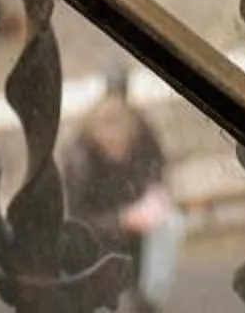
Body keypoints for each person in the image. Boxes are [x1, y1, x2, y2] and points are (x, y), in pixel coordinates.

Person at [61, 85, 182, 310]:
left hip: (135, 227)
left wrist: (156, 195)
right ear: (96, 138)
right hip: (97, 238)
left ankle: (150, 298)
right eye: (111, 145)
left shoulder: (137, 141)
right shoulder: (80, 162)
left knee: (171, 223)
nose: (117, 151)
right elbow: (77, 219)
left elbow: (155, 169)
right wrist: (120, 220)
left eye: (122, 145)